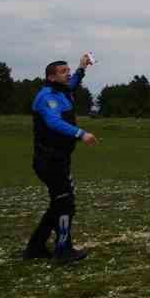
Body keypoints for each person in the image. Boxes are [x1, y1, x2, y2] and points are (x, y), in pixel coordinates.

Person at [24, 54, 97, 264]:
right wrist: (81, 133)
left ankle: (35, 247)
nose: (69, 74)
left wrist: (82, 67)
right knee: (65, 204)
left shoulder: (62, 91)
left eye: (68, 70)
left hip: (59, 159)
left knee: (59, 203)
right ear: (51, 77)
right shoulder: (47, 97)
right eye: (64, 72)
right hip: (49, 161)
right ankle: (63, 250)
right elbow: (53, 122)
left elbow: (73, 83)